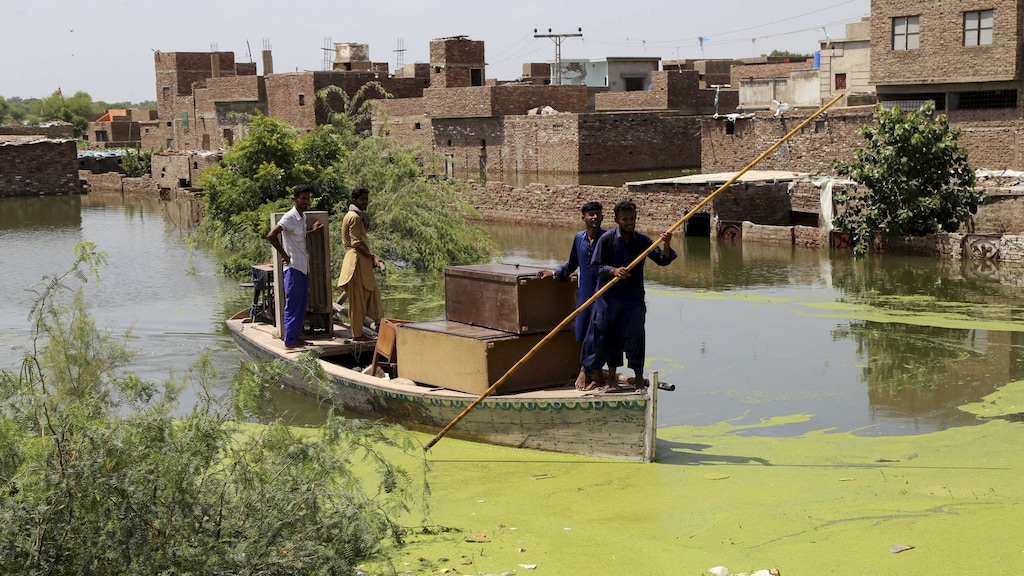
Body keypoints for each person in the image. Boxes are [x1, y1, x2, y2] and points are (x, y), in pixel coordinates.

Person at [587, 200, 676, 392]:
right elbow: (595, 266)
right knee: (610, 337)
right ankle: (611, 378)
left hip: (633, 299)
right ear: (617, 219)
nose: (629, 222)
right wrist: (613, 270)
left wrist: (667, 243)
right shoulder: (607, 239)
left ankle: (637, 379)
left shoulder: (641, 241)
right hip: (609, 299)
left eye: (632, 219)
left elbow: (663, 260)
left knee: (636, 337)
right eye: (625, 219)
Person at [537, 201, 605, 390]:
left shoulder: (608, 238)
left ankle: (585, 371)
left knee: (597, 333)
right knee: (582, 331)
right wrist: (555, 273)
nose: (595, 217)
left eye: (598, 214)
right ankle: (590, 371)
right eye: (591, 214)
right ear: (583, 217)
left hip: (603, 294)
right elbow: (573, 263)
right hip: (585, 292)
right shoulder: (579, 238)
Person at [267, 184, 323, 349]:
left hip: (303, 265)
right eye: (302, 198)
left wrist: (312, 232)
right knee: (293, 304)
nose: (306, 201)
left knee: (301, 304)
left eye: (307, 198)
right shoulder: (289, 217)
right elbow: (271, 235)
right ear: (295, 199)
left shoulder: (302, 216)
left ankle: (296, 337)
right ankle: (290, 341)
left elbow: (298, 236)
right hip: (293, 267)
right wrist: (284, 255)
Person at [336, 187, 384, 341]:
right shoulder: (354, 217)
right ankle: (357, 334)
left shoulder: (356, 215)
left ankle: (380, 324)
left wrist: (370, 258)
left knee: (371, 294)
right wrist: (372, 257)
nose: (365, 202)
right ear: (354, 200)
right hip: (356, 262)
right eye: (362, 199)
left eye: (366, 199)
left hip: (361, 262)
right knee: (357, 300)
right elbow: (356, 243)